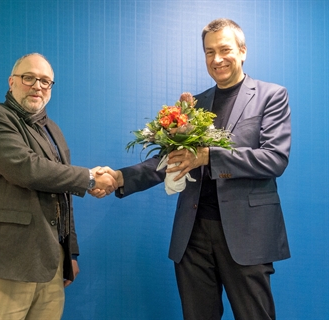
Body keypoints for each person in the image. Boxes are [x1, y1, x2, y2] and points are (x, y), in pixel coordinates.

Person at [91, 18, 291, 319]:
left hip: (246, 234)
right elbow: (172, 161)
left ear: (243, 50)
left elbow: (274, 159)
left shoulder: (271, 96)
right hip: (193, 233)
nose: (217, 59)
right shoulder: (195, 104)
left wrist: (209, 156)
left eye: (224, 49)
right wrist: (121, 177)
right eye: (209, 52)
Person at [0, 53, 117, 320]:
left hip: (51, 267)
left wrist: (70, 252)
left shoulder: (53, 131)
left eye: (45, 81)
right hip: (4, 266)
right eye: (29, 78)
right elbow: (27, 168)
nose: (38, 86)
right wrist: (89, 178)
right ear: (12, 82)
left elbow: (62, 194)